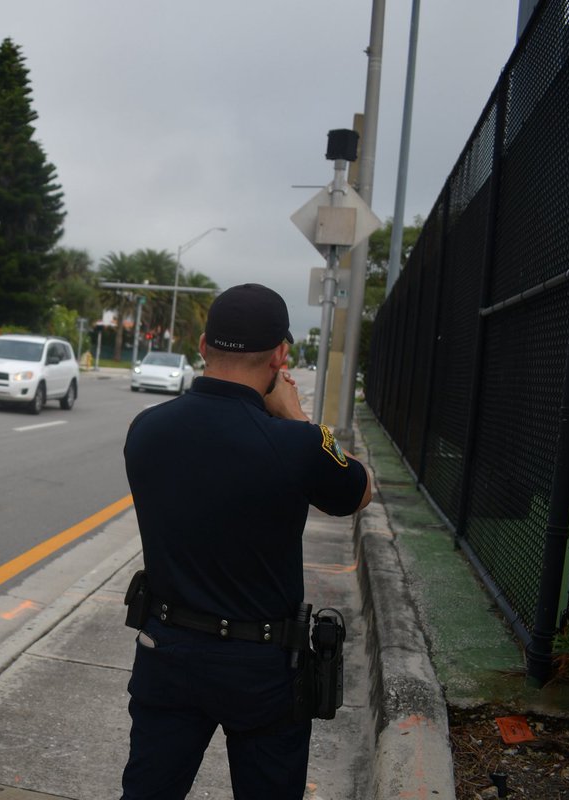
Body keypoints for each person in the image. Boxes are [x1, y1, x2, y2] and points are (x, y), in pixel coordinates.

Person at [120, 283, 371, 800]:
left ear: (204, 343)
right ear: (281, 355)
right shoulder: (294, 444)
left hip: (165, 650)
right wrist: (297, 418)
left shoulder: (147, 429)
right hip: (259, 668)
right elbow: (357, 492)